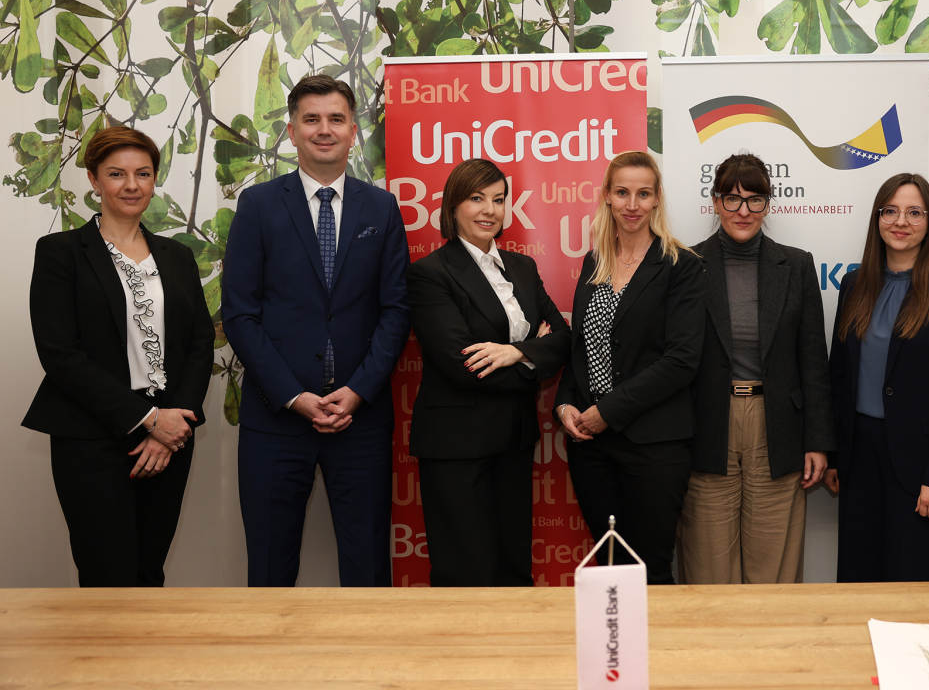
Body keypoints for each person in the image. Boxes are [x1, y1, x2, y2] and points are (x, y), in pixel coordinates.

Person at [223, 74, 410, 587]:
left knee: (368, 569)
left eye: (335, 119)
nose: (324, 129)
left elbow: (396, 310)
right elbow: (240, 314)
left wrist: (358, 391)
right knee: (269, 568)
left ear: (353, 131)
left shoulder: (381, 208)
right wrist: (293, 396)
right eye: (311, 119)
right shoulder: (258, 205)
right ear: (291, 131)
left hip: (360, 420)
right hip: (276, 420)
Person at [23, 126, 214, 587]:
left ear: (154, 180)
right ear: (94, 179)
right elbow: (60, 354)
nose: (132, 185)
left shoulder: (177, 256)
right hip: (91, 438)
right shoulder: (60, 253)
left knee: (149, 573)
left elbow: (199, 343)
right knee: (106, 576)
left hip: (170, 439)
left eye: (143, 173)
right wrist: (148, 419)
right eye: (116, 174)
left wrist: (171, 425)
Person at [408, 159, 570, 586]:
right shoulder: (430, 274)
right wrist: (534, 357)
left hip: (513, 441)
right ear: (453, 206)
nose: (490, 210)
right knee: (465, 575)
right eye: (477, 198)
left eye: (498, 200)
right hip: (457, 447)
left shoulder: (523, 268)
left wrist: (515, 353)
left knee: (514, 570)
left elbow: (562, 339)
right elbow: (464, 365)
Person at [676, 153, 834, 584]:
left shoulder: (796, 265)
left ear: (768, 204)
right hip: (708, 425)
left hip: (777, 426)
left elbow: (813, 360)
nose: (743, 211)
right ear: (715, 202)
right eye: (732, 199)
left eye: (754, 199)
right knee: (708, 566)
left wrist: (819, 442)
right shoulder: (685, 264)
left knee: (773, 567)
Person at [554, 150, 704, 585]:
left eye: (643, 193)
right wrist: (565, 403)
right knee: (611, 570)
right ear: (606, 196)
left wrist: (608, 411)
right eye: (622, 192)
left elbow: (681, 360)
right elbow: (581, 348)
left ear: (657, 199)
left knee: (649, 569)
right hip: (592, 447)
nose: (632, 204)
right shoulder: (594, 262)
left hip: (654, 446)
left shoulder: (681, 265)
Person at [827, 173, 929, 582]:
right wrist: (836, 456)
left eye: (915, 212)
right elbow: (839, 377)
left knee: (918, 586)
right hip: (860, 459)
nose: (901, 221)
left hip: (923, 466)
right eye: (890, 211)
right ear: (877, 218)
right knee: (860, 581)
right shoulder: (855, 284)